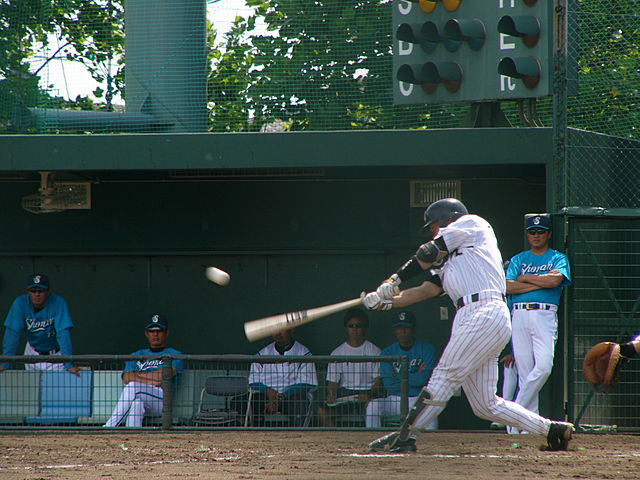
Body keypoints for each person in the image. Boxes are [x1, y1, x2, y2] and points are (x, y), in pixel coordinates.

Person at [361, 198, 574, 453]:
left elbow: (428, 252)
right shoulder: (450, 260)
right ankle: (552, 429)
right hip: (471, 316)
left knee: (444, 375)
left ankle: (406, 436)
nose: (433, 232)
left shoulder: (472, 224)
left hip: (484, 310)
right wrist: (386, 302)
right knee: (485, 404)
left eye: (433, 226)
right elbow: (427, 289)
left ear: (447, 219)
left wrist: (393, 279)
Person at [505, 214, 571, 434]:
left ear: (548, 234)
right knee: (525, 372)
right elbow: (508, 287)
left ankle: (513, 413)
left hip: (544, 314)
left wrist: (525, 278)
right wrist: (541, 282)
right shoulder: (518, 259)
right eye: (532, 232)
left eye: (540, 231)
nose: (536, 235)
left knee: (543, 368)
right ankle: (526, 427)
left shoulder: (558, 258)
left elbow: (555, 280)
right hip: (519, 314)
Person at [104, 314, 183, 427]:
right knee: (137, 403)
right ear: (146, 333)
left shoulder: (175, 354)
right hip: (142, 396)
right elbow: (127, 377)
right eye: (152, 331)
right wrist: (152, 381)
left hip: (162, 402)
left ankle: (109, 427)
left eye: (159, 330)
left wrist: (138, 376)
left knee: (133, 386)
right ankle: (133, 435)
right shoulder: (137, 354)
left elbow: (162, 376)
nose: (155, 334)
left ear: (167, 333)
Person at [365, 310, 438, 430]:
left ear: (413, 329)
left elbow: (426, 379)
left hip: (419, 398)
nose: (403, 331)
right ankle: (373, 439)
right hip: (395, 399)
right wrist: (416, 374)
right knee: (373, 405)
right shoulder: (388, 352)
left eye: (406, 327)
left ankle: (432, 442)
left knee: (431, 409)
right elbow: (389, 384)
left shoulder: (427, 349)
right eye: (399, 328)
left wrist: (398, 376)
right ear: (395, 330)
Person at [0, 274, 79, 375]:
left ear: (48, 292)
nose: (37, 294)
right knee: (32, 385)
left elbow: (63, 333)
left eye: (41, 291)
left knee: (56, 385)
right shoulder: (21, 303)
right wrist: (6, 362)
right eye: (33, 291)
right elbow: (12, 333)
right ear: (28, 292)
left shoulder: (58, 302)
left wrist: (68, 363)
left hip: (55, 356)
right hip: (32, 353)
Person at [317, 308, 381, 427]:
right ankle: (337, 437)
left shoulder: (375, 351)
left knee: (373, 407)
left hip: (366, 394)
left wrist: (370, 395)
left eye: (358, 326)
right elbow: (332, 383)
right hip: (346, 394)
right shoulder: (337, 353)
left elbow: (378, 382)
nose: (354, 329)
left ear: (365, 327)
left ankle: (371, 437)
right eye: (351, 326)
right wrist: (331, 394)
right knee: (322, 411)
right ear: (346, 328)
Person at [249, 328, 318, 427]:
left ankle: (298, 435)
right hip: (267, 397)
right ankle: (253, 435)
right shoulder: (263, 353)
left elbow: (305, 384)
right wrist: (269, 392)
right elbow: (253, 381)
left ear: (291, 329)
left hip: (290, 398)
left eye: (281, 329)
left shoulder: (303, 352)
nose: (278, 333)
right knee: (246, 401)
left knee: (299, 401)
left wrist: (280, 398)